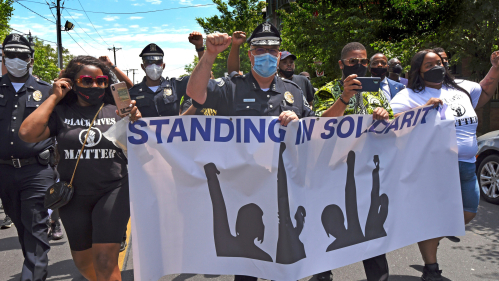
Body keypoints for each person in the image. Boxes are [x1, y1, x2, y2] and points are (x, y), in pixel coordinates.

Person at [18, 55, 142, 281]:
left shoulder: (116, 109)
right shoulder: (61, 112)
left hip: (113, 190)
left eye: (101, 81)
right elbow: (27, 133)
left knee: (105, 261)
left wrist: (134, 120)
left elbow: (140, 143)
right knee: (84, 263)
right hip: (73, 195)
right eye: (87, 80)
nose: (95, 86)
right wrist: (54, 97)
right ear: (72, 82)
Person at [390, 49, 499, 281]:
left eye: (438, 63)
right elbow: (393, 124)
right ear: (418, 70)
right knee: (433, 217)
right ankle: (432, 268)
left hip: (467, 164)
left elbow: (486, 90)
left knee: (469, 211)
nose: (436, 68)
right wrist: (423, 109)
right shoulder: (408, 95)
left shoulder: (461, 89)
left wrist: (496, 66)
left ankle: (432, 236)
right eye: (428, 65)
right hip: (433, 168)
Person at [313, 42, 391, 281]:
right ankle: (321, 272)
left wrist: (385, 117)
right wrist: (345, 98)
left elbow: (393, 125)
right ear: (341, 64)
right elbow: (318, 126)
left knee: (371, 227)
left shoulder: (375, 92)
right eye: (352, 62)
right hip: (334, 171)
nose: (359, 65)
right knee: (327, 224)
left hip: (368, 172)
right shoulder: (326, 91)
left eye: (363, 61)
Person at [0, 33, 56, 281]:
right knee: (22, 230)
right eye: (10, 54)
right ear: (3, 57)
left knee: (35, 229)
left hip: (37, 171)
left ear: (30, 59)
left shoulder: (46, 91)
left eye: (21, 55)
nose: (15, 59)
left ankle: (33, 276)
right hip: (3, 172)